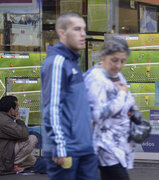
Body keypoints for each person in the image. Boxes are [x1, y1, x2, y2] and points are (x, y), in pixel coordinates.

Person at [40, 12, 99, 180]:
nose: (83, 34)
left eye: (84, 29)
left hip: (85, 148)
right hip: (67, 151)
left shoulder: (72, 62)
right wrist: (59, 146)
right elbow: (51, 108)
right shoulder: (57, 63)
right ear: (62, 33)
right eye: (77, 29)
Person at [84, 36, 138, 180]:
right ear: (103, 56)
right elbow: (99, 114)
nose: (119, 65)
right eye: (114, 60)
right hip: (104, 147)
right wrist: (121, 95)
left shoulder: (116, 75)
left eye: (123, 61)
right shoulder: (95, 79)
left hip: (117, 145)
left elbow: (128, 98)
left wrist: (135, 114)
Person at [0, 95, 37, 173]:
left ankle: (15, 164)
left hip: (7, 148)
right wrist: (19, 120)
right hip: (4, 155)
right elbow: (24, 134)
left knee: (33, 161)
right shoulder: (4, 121)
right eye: (17, 107)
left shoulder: (4, 117)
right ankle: (12, 165)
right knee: (32, 139)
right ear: (11, 109)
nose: (18, 109)